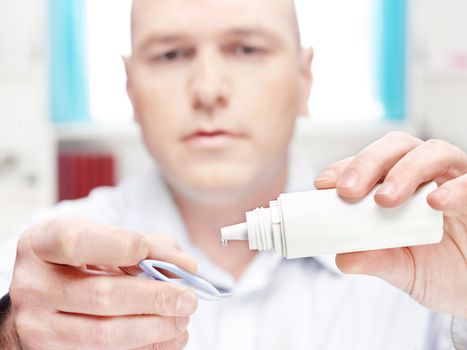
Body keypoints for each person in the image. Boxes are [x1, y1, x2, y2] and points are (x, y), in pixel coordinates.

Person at [1, 0, 466, 348]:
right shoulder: (40, 275)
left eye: (246, 48)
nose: (208, 89)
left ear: (303, 79)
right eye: (170, 55)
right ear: (130, 88)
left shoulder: (423, 253)